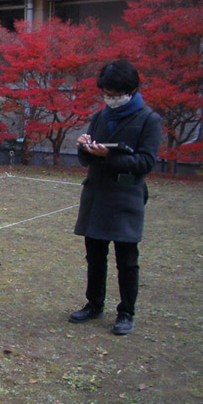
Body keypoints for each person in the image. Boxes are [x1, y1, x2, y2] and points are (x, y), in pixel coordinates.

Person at [69, 60, 162, 335]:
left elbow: (145, 162)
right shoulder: (100, 116)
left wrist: (109, 156)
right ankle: (94, 303)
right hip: (96, 194)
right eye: (106, 93)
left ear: (130, 90)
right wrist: (85, 148)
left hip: (125, 196)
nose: (110, 98)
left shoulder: (149, 119)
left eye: (114, 93)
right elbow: (88, 158)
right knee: (95, 255)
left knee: (127, 259)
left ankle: (126, 312)